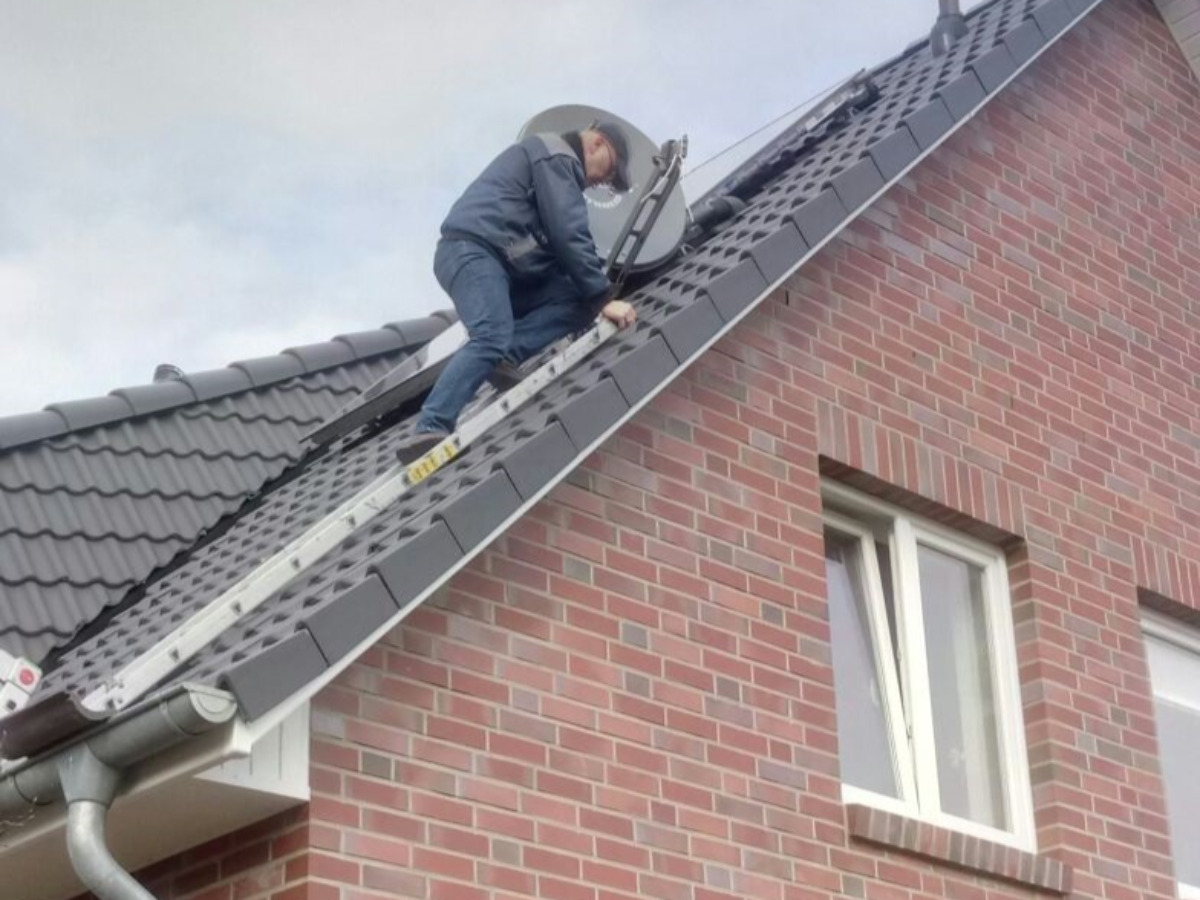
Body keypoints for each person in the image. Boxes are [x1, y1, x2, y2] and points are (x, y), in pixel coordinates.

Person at [396, 122, 639, 463]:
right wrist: (605, 299)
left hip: (507, 270)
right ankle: (431, 426)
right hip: (472, 250)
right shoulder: (556, 156)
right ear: (597, 144)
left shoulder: (557, 173)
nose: (604, 182)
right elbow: (568, 233)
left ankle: (506, 354)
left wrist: (592, 299)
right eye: (609, 171)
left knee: (579, 299)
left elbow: (556, 252)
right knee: (490, 333)